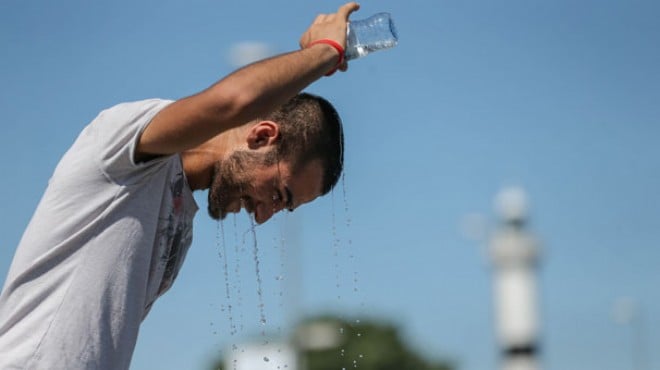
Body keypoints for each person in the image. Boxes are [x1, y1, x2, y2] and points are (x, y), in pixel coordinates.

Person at [0, 2, 360, 369]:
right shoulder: (125, 146)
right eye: (278, 194)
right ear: (261, 136)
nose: (264, 216)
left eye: (284, 207)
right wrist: (324, 53)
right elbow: (231, 102)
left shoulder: (180, 222)